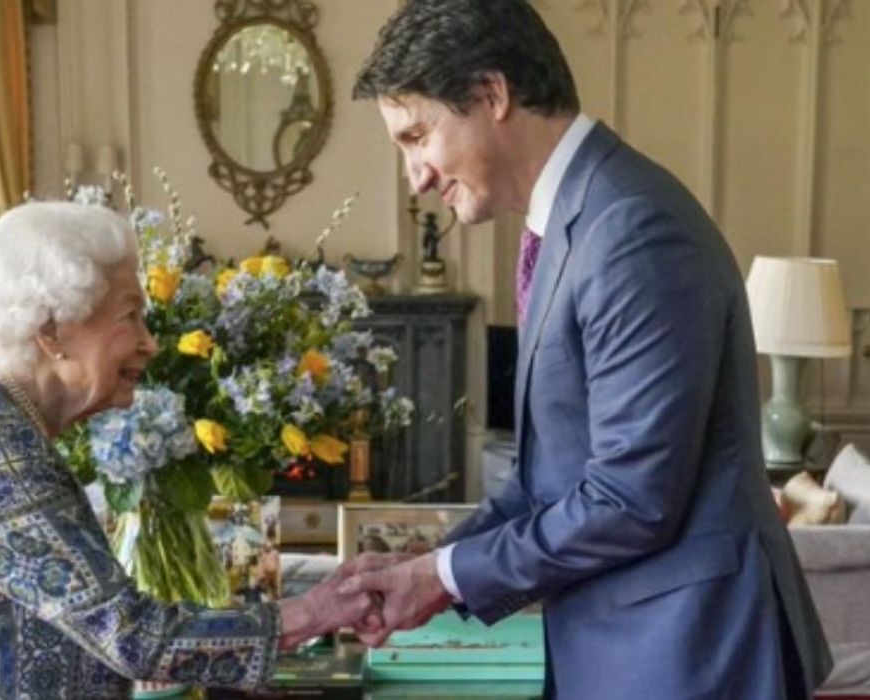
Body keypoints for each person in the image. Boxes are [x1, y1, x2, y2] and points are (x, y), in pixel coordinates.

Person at [339, 1, 834, 698]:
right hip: (633, 643)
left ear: (491, 93)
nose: (414, 177)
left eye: (417, 136)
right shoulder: (579, 217)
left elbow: (630, 500)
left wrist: (439, 578)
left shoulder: (631, 228)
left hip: (691, 653)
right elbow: (550, 482)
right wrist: (433, 563)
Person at [0, 202, 374, 698]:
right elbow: (129, 633)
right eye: (131, 317)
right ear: (51, 333)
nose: (150, 343)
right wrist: (314, 611)